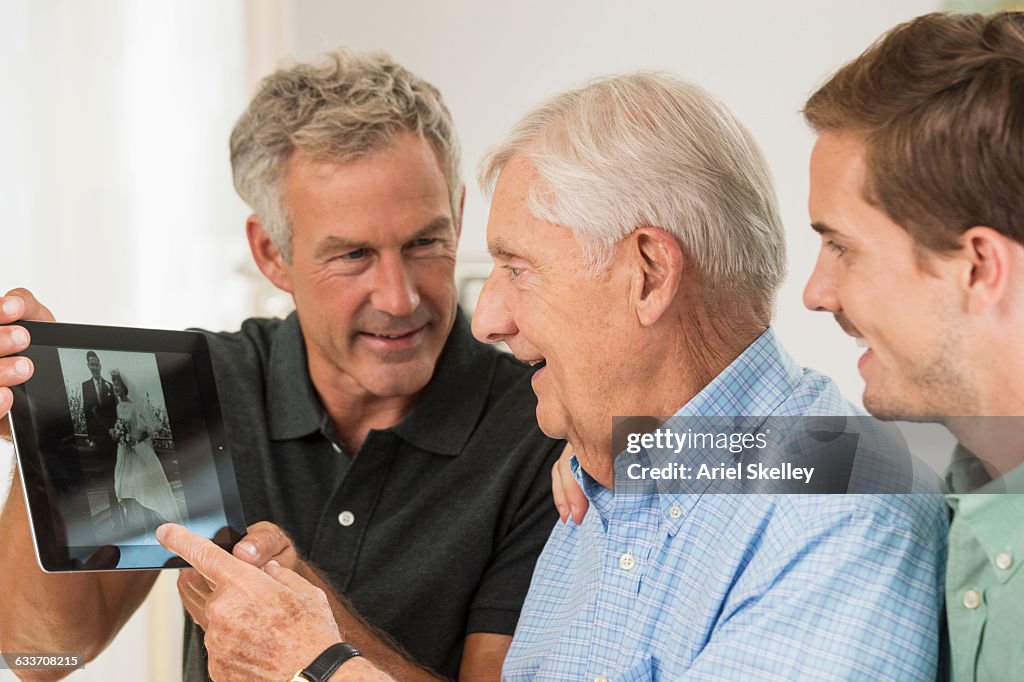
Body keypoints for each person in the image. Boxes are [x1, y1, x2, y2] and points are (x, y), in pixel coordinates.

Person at [156, 71, 948, 681]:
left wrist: (319, 660)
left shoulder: (843, 505)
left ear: (647, 273)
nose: (487, 318)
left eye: (517, 269)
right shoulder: (606, 478)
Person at [0, 47, 562, 682]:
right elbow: (41, 656)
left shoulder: (546, 425)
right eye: (352, 255)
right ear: (271, 253)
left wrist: (305, 627)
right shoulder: (195, 385)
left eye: (425, 242)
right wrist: (38, 428)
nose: (400, 297)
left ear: (459, 216)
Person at [800, 11, 1024, 681]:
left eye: (842, 247)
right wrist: (623, 456)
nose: (817, 292)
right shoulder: (959, 475)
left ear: (979, 267)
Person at [109, 368, 185, 532]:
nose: (115, 386)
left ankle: (153, 526)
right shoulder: (119, 406)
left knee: (145, 490)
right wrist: (117, 433)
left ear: (124, 386)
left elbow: (147, 429)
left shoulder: (135, 405)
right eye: (114, 383)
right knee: (128, 490)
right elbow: (121, 426)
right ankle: (140, 527)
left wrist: (134, 437)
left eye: (118, 384)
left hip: (138, 451)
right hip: (124, 452)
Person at [80, 350, 122, 530]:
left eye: (97, 363)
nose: (95, 367)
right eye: (92, 364)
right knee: (108, 479)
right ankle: (117, 520)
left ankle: (125, 515)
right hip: (99, 440)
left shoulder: (109, 387)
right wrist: (90, 438)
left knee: (119, 477)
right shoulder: (85, 386)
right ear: (88, 366)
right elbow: (87, 413)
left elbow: (115, 411)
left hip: (114, 438)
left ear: (100, 365)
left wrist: (117, 431)